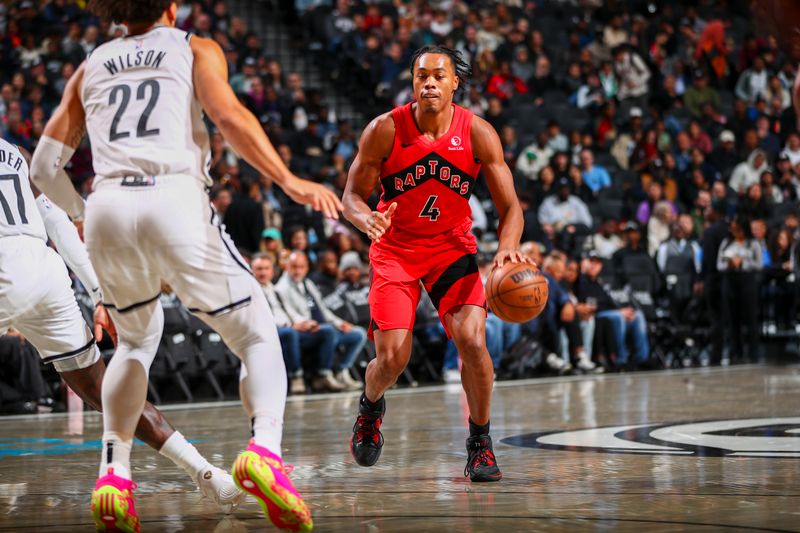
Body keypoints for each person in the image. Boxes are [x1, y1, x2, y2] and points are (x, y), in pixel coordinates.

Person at [32, 2, 342, 530]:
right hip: (173, 195)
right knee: (257, 333)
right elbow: (230, 118)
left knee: (133, 343)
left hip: (107, 206)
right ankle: (264, 449)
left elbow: (43, 167)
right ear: (171, 7)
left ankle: (115, 473)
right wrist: (291, 181)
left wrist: (84, 214)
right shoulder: (192, 46)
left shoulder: (91, 63)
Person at [0, 139, 244, 513]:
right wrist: (101, 293)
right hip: (45, 270)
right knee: (104, 390)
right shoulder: (16, 154)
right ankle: (206, 473)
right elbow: (58, 222)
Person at [342, 45, 528, 482]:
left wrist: (507, 246)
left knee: (474, 344)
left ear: (454, 83)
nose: (429, 82)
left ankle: (480, 442)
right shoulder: (384, 130)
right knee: (391, 360)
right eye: (421, 75)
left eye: (438, 76)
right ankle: (370, 407)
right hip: (395, 251)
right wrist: (365, 217)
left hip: (451, 248)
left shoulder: (479, 133)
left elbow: (512, 208)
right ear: (412, 82)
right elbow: (351, 195)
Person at [252, 253, 345, 395]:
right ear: (251, 270)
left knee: (327, 331)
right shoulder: (251, 292)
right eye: (259, 269)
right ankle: (296, 376)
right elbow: (262, 318)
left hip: (289, 328)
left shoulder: (274, 290)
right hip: (269, 332)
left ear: (272, 271)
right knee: (290, 333)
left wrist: (304, 323)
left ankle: (322, 375)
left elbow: (289, 311)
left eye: (266, 268)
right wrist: (290, 325)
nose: (263, 272)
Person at [276, 251, 366, 391]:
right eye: (294, 266)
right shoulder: (282, 288)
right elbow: (290, 313)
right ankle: (323, 375)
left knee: (358, 333)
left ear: (307, 268)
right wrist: (308, 323)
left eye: (301, 267)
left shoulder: (308, 283)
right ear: (287, 267)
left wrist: (339, 323)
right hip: (307, 331)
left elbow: (323, 309)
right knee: (328, 331)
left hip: (322, 328)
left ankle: (342, 371)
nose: (298, 270)